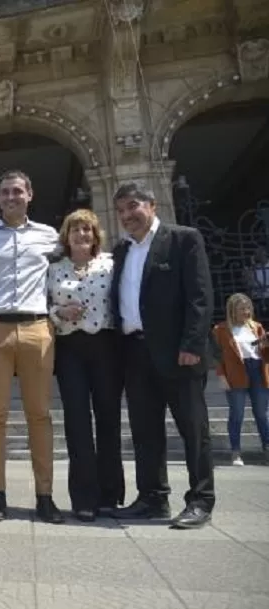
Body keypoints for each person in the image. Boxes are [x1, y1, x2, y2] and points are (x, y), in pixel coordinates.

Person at [0, 169, 64, 524]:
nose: (10, 197)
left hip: (37, 328)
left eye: (17, 191)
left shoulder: (50, 237)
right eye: (4, 192)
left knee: (40, 415)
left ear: (30, 195)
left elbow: (63, 279)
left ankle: (45, 497)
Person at [110, 182, 215, 529]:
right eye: (121, 210)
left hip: (177, 352)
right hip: (135, 353)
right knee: (145, 431)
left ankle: (200, 500)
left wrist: (192, 345)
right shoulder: (122, 251)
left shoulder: (183, 238)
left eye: (132, 206)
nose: (127, 215)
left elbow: (199, 297)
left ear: (152, 205)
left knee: (193, 429)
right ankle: (152, 498)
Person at [46, 209, 124, 521]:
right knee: (77, 423)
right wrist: (59, 313)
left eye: (87, 229)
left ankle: (109, 495)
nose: (81, 234)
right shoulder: (54, 269)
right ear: (66, 235)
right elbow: (43, 306)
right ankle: (83, 497)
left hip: (105, 346)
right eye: (75, 229)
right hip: (70, 350)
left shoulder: (111, 265)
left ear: (95, 235)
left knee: (108, 420)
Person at [212, 293, 269, 465]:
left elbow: (264, 355)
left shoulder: (256, 327)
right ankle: (236, 452)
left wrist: (266, 345)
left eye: (248, 308)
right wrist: (221, 376)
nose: (246, 312)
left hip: (257, 370)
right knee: (237, 414)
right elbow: (217, 356)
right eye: (242, 309)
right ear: (232, 311)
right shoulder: (220, 330)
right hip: (236, 372)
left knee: (261, 413)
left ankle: (267, 448)